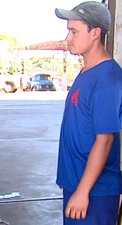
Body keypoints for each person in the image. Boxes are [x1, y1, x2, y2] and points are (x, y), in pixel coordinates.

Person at [55, 1, 122, 225]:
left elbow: (104, 141)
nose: (68, 38)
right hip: (77, 186)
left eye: (74, 31)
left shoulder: (107, 79)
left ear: (95, 33)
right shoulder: (87, 72)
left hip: (94, 193)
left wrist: (83, 192)